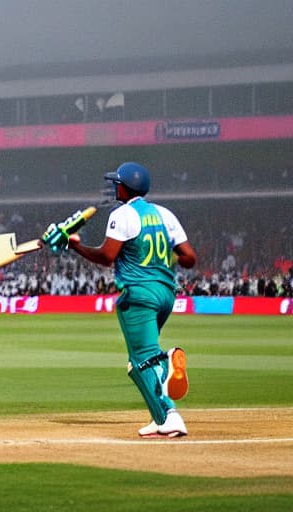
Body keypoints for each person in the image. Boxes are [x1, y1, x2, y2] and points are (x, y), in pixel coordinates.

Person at [45, 162, 197, 437]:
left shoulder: (123, 215)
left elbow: (107, 256)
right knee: (139, 360)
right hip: (165, 294)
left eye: (117, 182)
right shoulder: (165, 214)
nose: (114, 186)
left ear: (126, 187)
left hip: (138, 295)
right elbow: (189, 258)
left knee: (144, 358)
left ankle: (169, 377)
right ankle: (160, 414)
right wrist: (165, 260)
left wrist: (73, 244)